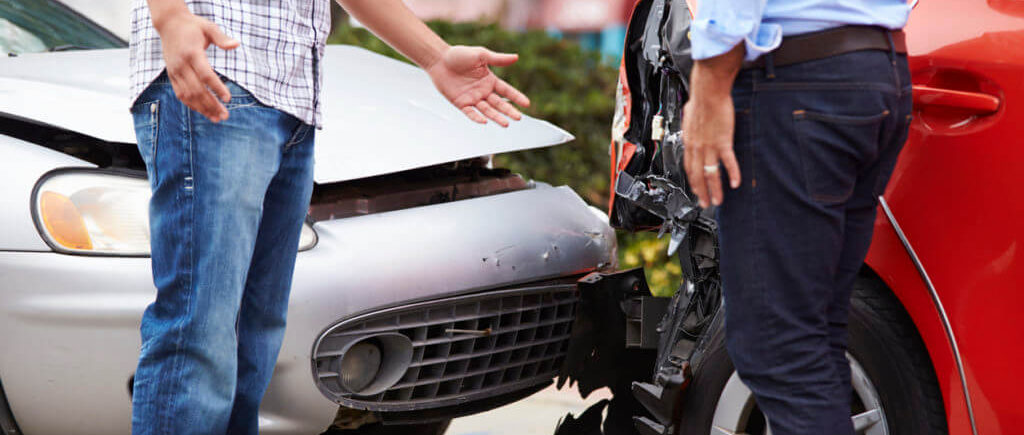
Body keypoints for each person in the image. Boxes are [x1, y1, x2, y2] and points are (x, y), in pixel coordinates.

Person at [128, 1, 530, 434]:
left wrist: (434, 57)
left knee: (254, 342)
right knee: (198, 334)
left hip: (292, 101)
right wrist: (169, 15)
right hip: (216, 76)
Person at [681, 1, 913, 434]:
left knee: (779, 349)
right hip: (877, 70)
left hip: (798, 80)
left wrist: (709, 81)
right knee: (814, 338)